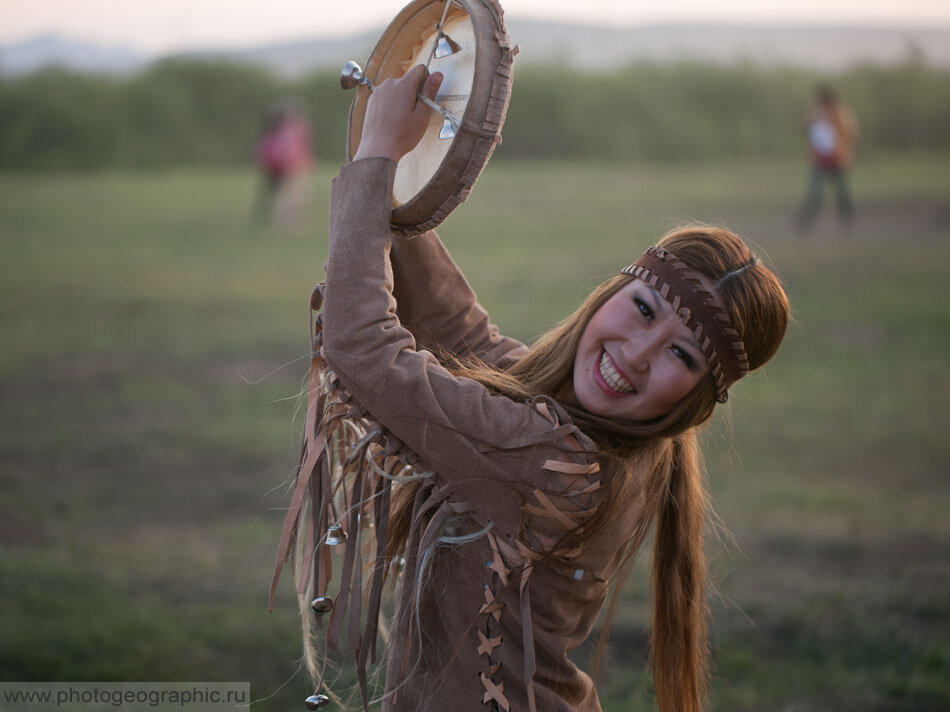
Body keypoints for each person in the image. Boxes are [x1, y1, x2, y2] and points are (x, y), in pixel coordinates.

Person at [270, 66, 791, 712]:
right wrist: (391, 172)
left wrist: (379, 153)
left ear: (697, 401)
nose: (635, 353)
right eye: (646, 310)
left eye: (681, 354)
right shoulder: (591, 437)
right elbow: (465, 336)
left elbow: (364, 352)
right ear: (613, 290)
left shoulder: (553, 461)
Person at [798, 84, 859, 232]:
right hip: (821, 159)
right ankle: (807, 219)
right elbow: (807, 129)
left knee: (841, 192)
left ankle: (847, 219)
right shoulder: (817, 113)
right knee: (815, 191)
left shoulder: (841, 113)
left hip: (837, 159)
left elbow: (850, 133)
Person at [253, 102, 314, 230]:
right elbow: (299, 148)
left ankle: (282, 221)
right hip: (295, 164)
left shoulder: (280, 128)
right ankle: (290, 223)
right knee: (292, 195)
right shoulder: (295, 128)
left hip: (286, 165)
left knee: (285, 194)